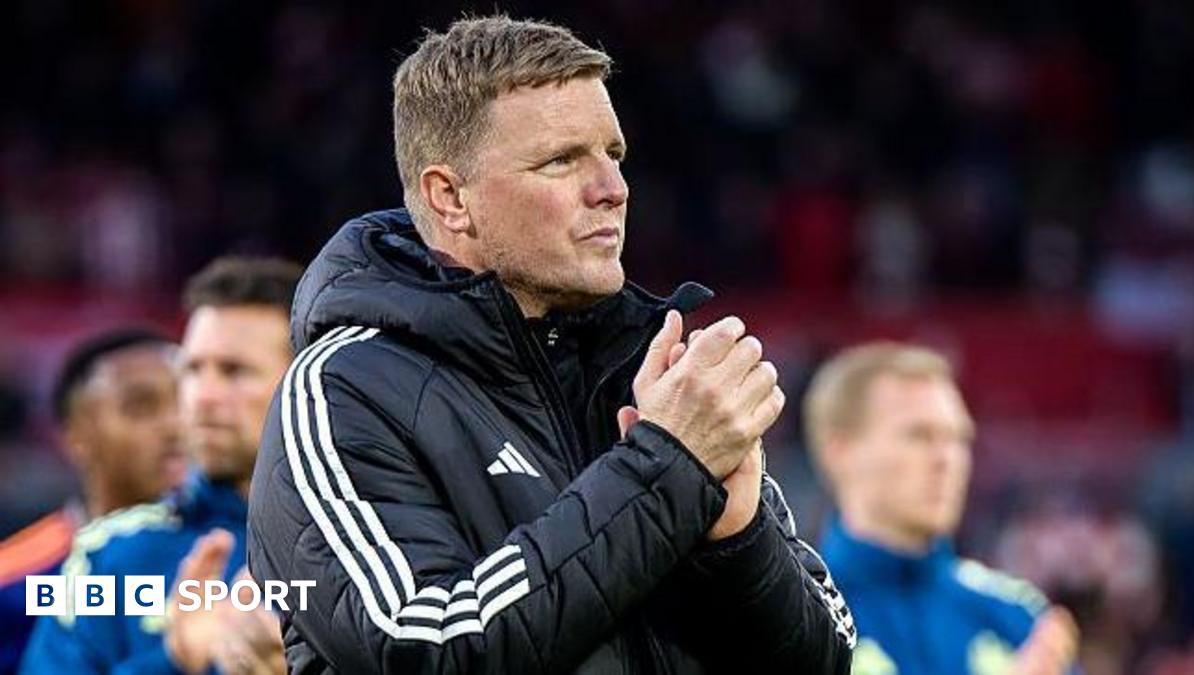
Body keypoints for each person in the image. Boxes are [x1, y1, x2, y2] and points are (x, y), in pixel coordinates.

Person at [248, 14, 855, 674]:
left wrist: (737, 543)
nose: (612, 190)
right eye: (561, 161)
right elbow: (424, 647)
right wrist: (668, 471)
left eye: (613, 155)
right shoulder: (343, 388)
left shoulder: (648, 369)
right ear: (450, 198)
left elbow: (827, 660)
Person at [20, 257, 302, 674]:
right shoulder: (111, 559)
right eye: (192, 369)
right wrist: (174, 662)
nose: (201, 396)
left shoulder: (380, 541)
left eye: (234, 371)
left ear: (305, 380)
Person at [806, 342, 1081, 675]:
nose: (946, 459)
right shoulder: (796, 618)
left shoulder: (1016, 614)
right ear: (840, 451)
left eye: (958, 439)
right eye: (919, 435)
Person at [0, 328, 183, 674]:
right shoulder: (15, 585)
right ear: (75, 436)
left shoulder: (241, 555)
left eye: (185, 402)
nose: (176, 425)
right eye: (141, 407)